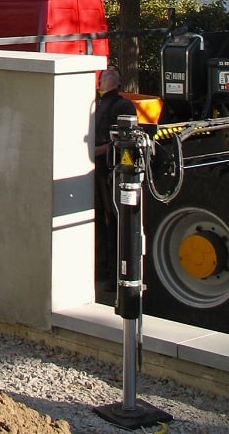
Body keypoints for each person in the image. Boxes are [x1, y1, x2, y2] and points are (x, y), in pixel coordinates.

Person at [93, 66, 136, 289]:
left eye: (114, 72)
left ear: (119, 82)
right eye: (105, 71)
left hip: (111, 171)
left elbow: (127, 140)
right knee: (96, 220)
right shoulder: (93, 103)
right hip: (93, 172)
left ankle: (115, 274)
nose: (109, 72)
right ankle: (99, 270)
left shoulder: (124, 105)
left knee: (114, 221)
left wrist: (100, 151)